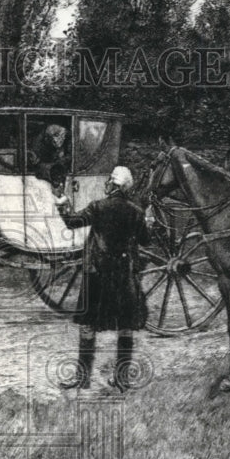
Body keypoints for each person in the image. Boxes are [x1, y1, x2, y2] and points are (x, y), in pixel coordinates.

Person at [57, 166, 151, 393]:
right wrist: (150, 223)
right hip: (124, 276)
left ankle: (82, 379)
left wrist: (63, 205)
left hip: (96, 276)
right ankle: (122, 379)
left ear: (114, 185)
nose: (106, 184)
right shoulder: (136, 212)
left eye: (109, 181)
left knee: (88, 326)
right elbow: (146, 241)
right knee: (125, 327)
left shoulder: (97, 207)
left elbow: (72, 222)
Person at [29, 123, 70, 206]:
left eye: (64, 136)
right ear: (53, 137)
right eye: (61, 136)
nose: (63, 138)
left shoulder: (60, 148)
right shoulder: (38, 147)